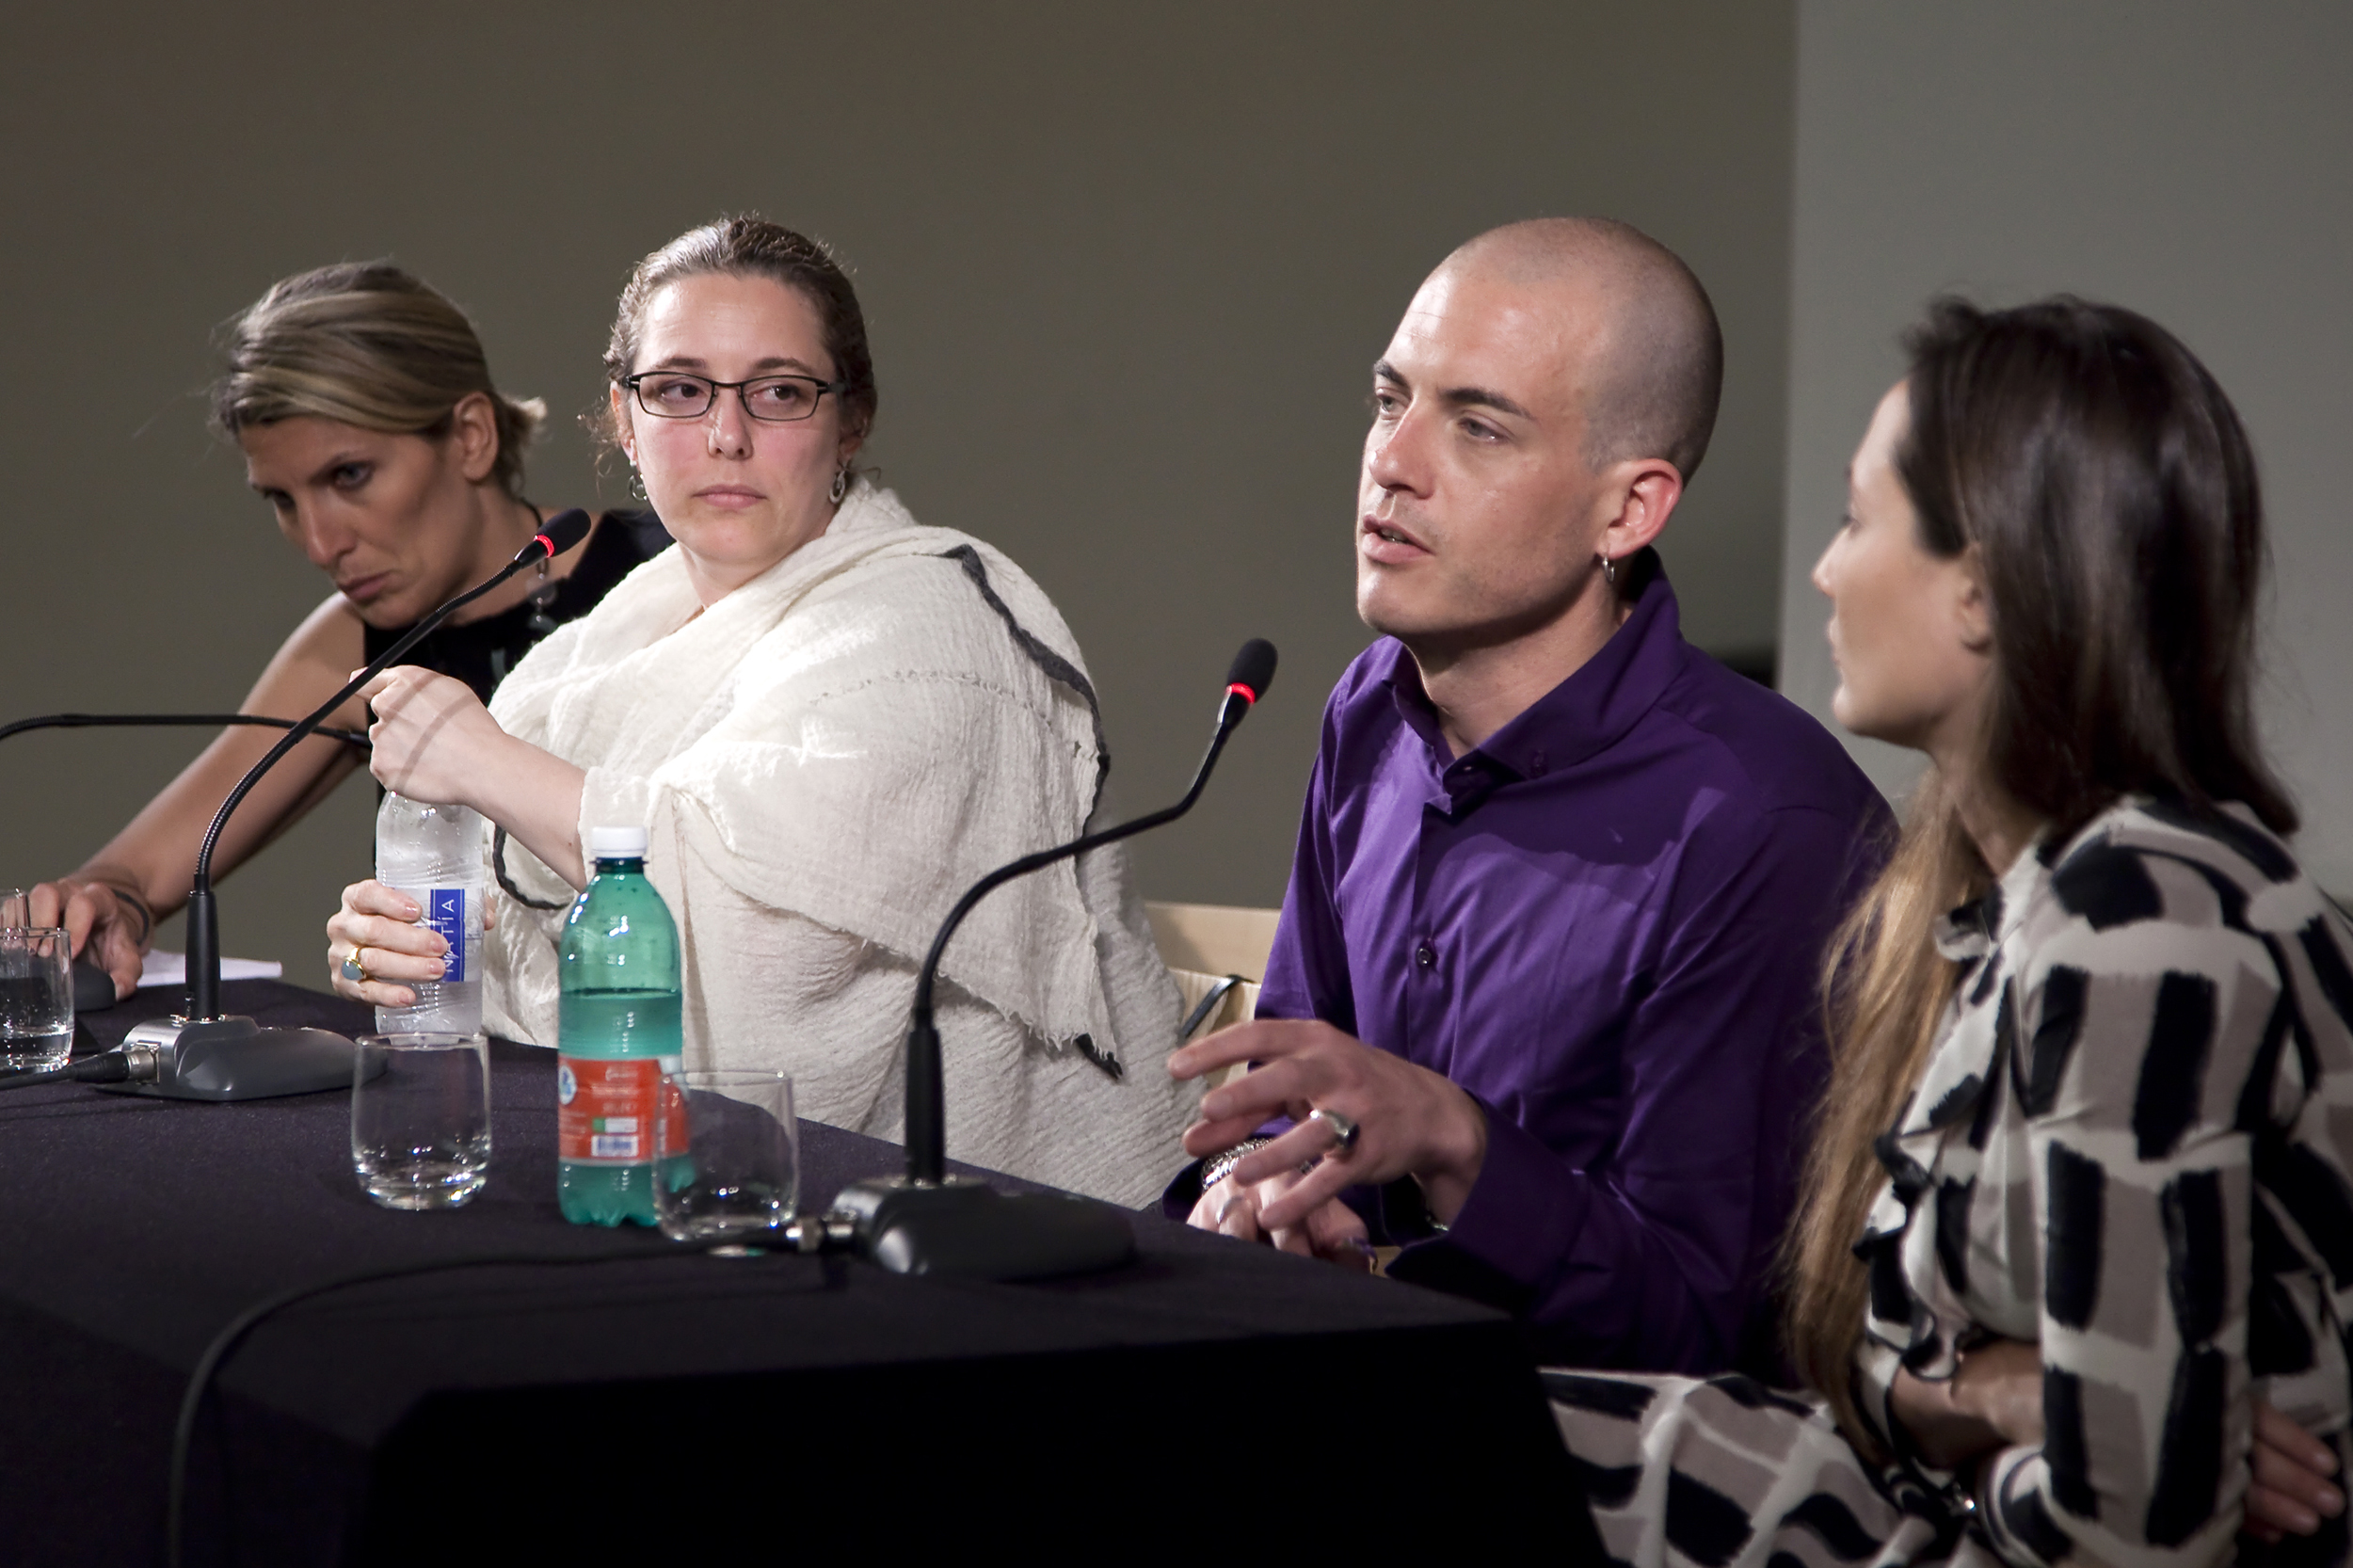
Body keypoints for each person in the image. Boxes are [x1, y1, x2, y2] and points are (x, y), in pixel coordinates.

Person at [1546, 297, 2353, 1568]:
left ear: (1980, 586)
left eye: (1861, 521)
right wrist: (1988, 1394)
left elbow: (2131, 1521)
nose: (1824, 568)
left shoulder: (2145, 916)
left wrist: (1983, 1434)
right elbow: (1860, 1347)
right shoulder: (1993, 904)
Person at [325, 216, 1190, 1205]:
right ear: (622, 417)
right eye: (680, 391)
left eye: (778, 393)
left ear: (849, 421)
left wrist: (483, 761)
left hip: (991, 1231)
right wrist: (417, 944)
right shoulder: (601, 646)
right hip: (676, 1190)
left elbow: (768, 959)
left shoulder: (936, 634)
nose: (726, 436)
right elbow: (541, 918)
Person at [1166, 218, 1890, 1373]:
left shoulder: (1764, 821)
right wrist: (1257, 1191)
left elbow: (1713, 1318)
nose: (1393, 462)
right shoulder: (1367, 708)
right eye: (1389, 398)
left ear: (1628, 511)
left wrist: (1459, 1143)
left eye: (1478, 425)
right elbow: (1292, 1094)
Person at [27, 264, 666, 999]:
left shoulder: (672, 576)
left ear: (470, 437)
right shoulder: (351, 644)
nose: (320, 543)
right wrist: (97, 904)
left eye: (350, 476)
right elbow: (135, 875)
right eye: (282, 499)